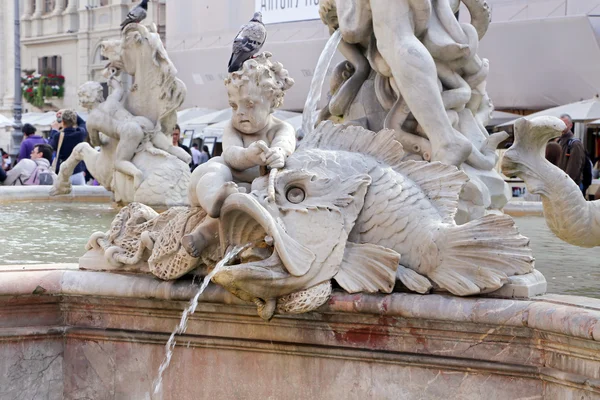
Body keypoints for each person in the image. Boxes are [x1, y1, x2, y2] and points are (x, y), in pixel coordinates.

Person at [182, 53, 296, 257]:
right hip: (223, 183)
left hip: (251, 191)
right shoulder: (233, 128)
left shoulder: (282, 128)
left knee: (242, 200)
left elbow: (284, 146)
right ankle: (212, 201)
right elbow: (231, 155)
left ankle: (202, 236)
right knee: (217, 166)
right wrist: (249, 156)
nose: (240, 113)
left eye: (249, 105)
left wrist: (278, 154)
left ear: (271, 103)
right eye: (234, 106)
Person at [49, 109, 88, 185]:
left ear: (62, 122)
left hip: (63, 172)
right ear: (74, 121)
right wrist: (71, 112)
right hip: (77, 171)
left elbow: (50, 146)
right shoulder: (80, 134)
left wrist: (54, 130)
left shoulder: (58, 136)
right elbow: (83, 123)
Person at [557, 114, 587, 195]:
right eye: (560, 124)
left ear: (571, 125)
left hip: (571, 187)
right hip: (561, 186)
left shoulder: (575, 144)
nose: (562, 127)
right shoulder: (559, 141)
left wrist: (566, 187)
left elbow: (574, 168)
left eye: (565, 124)